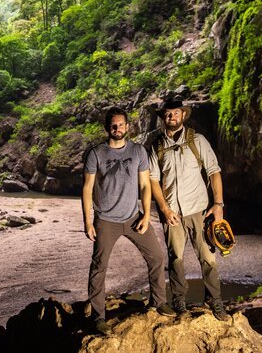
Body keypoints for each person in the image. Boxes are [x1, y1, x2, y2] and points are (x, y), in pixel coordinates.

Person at [82, 106, 175, 335]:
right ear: (107, 127)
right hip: (106, 220)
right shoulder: (96, 154)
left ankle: (159, 302)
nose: (118, 128)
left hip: (133, 217)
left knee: (156, 256)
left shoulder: (138, 152)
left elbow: (145, 185)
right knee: (99, 267)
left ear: (127, 126)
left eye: (121, 125)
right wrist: (88, 221)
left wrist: (145, 214)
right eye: (114, 125)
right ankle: (98, 316)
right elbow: (87, 188)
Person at [149, 99, 230, 321]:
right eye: (167, 114)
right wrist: (164, 210)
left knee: (208, 257)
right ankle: (179, 301)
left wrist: (218, 205)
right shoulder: (156, 146)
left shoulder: (198, 141)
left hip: (199, 211)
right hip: (172, 213)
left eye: (175, 113)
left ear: (183, 115)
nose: (171, 117)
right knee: (175, 258)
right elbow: (153, 181)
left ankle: (214, 301)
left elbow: (214, 172)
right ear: (163, 117)